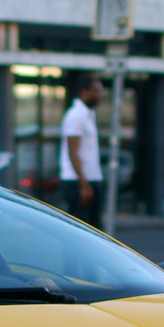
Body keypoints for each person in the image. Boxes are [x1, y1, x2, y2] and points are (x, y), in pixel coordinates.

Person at [59, 73, 105, 229]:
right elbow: (73, 152)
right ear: (85, 92)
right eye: (96, 91)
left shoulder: (87, 115)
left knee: (95, 233)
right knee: (81, 233)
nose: (100, 95)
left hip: (89, 180)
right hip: (79, 182)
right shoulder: (76, 115)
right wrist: (84, 185)